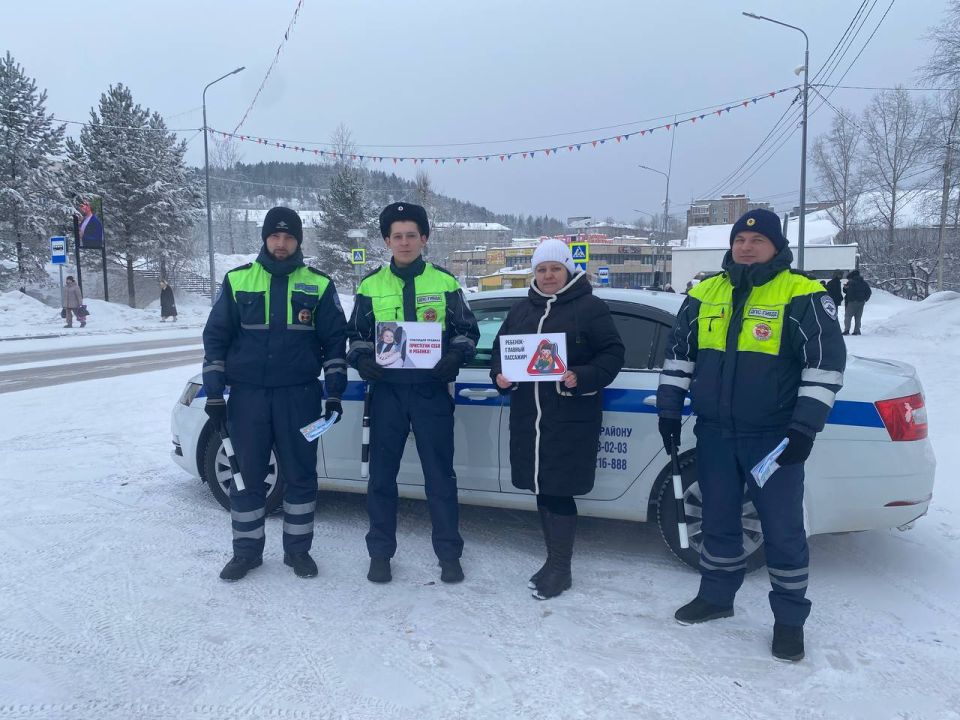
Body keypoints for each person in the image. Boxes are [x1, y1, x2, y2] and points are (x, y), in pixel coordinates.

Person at [657, 208, 846, 662]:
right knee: (719, 520)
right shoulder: (704, 293)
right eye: (740, 239)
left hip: (774, 439)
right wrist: (668, 409)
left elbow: (825, 367)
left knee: (781, 530)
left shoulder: (803, 294)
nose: (746, 246)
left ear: (776, 246)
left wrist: (803, 427)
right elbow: (679, 356)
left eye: (756, 240)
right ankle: (717, 598)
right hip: (716, 434)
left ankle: (789, 622)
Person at [202, 207, 347, 582]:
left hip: (300, 399)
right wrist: (215, 393)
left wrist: (333, 393)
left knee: (300, 476)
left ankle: (298, 552)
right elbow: (216, 338)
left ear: (298, 240)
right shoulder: (238, 281)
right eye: (275, 236)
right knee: (245, 478)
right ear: (265, 239)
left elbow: (334, 343)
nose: (281, 244)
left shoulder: (319, 284)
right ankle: (246, 554)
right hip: (248, 398)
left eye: (288, 237)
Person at [347, 202, 480, 585]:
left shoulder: (445, 283)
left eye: (411, 235)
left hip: (431, 393)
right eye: (396, 236)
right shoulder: (371, 285)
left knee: (440, 478)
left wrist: (455, 356)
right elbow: (354, 334)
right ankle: (380, 555)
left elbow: (467, 331)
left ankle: (449, 555)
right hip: (386, 394)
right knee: (381, 480)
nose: (404, 243)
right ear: (386, 241)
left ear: (424, 238)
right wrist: (362, 361)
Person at [490, 239, 624, 600]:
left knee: (559, 491)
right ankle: (552, 562)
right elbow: (500, 353)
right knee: (543, 489)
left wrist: (582, 375)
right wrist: (500, 376)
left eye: (555, 268)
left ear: (568, 269)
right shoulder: (521, 310)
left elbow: (612, 354)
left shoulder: (590, 307)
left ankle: (561, 569)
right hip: (528, 418)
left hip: (569, 418)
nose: (548, 275)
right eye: (541, 269)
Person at [842, 269, 872, 335]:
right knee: (858, 317)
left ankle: (846, 330)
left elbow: (846, 291)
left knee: (848, 316)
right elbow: (869, 292)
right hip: (861, 302)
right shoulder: (864, 283)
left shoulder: (851, 282)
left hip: (852, 302)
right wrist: (865, 299)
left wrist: (845, 288)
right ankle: (857, 331)